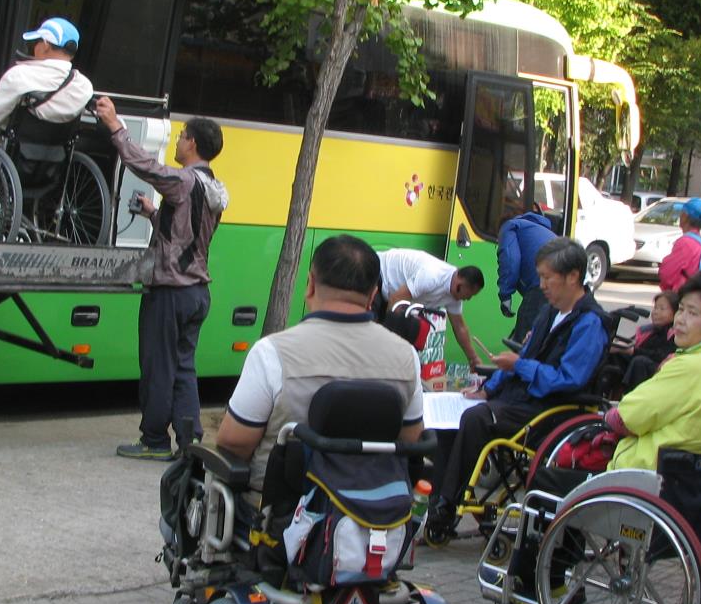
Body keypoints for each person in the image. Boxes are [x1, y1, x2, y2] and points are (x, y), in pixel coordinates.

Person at [213, 235, 423, 498]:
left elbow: (235, 443)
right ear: (372, 296)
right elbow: (410, 440)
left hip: (279, 518)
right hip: (371, 517)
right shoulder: (407, 357)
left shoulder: (272, 353)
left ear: (310, 284)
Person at [427, 238, 609, 531]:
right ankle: (440, 498)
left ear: (573, 276)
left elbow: (569, 378)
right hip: (521, 399)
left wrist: (520, 366)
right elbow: (523, 356)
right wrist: (488, 388)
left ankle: (447, 505)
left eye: (548, 277)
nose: (543, 285)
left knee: (475, 419)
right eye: (540, 277)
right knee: (452, 419)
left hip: (551, 409)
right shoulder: (549, 312)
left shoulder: (590, 322)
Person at [93, 97, 229, 460]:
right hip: (197, 293)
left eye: (182, 135)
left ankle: (153, 439)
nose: (179, 139)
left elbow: (146, 166)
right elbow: (186, 237)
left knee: (158, 366)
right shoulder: (213, 188)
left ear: (193, 145)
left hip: (170, 291)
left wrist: (115, 127)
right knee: (184, 368)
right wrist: (155, 215)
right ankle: (189, 443)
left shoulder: (184, 181)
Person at [602, 272, 701, 471]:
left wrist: (610, 416)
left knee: (550, 480)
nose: (680, 319)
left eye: (692, 313)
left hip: (645, 476)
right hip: (694, 479)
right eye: (681, 309)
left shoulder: (694, 367)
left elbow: (628, 417)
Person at [378, 248, 486, 371]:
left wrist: (473, 358)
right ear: (459, 286)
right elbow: (396, 300)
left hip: (392, 292)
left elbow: (460, 327)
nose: (469, 299)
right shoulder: (432, 276)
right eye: (470, 295)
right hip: (380, 272)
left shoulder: (455, 296)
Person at [0, 17, 94, 132]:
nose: (34, 47)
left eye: (36, 41)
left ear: (45, 45)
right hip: (58, 150)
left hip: (14, 148)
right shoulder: (84, 86)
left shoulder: (20, 75)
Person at [497, 201, 555, 343]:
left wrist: (505, 294)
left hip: (543, 284)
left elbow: (510, 259)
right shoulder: (541, 230)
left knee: (523, 338)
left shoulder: (510, 226)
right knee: (544, 338)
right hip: (566, 289)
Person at [658, 197, 701, 292]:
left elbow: (667, 274)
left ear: (685, 216)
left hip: (684, 296)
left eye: (681, 213)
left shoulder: (685, 242)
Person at [623, 290, 678, 389]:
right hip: (641, 365)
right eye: (655, 308)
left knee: (639, 361)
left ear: (675, 313)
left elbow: (662, 355)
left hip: (660, 371)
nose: (656, 312)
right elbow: (632, 344)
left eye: (662, 309)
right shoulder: (647, 330)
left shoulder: (675, 334)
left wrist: (633, 351)